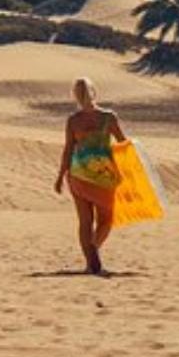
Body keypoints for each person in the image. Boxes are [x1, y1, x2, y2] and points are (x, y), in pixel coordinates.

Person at [55, 78, 126, 275]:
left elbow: (68, 150)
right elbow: (123, 144)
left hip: (78, 175)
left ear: (75, 96)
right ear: (94, 92)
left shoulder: (73, 120)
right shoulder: (109, 117)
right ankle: (94, 247)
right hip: (103, 176)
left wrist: (60, 176)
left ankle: (89, 263)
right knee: (107, 219)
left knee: (85, 221)